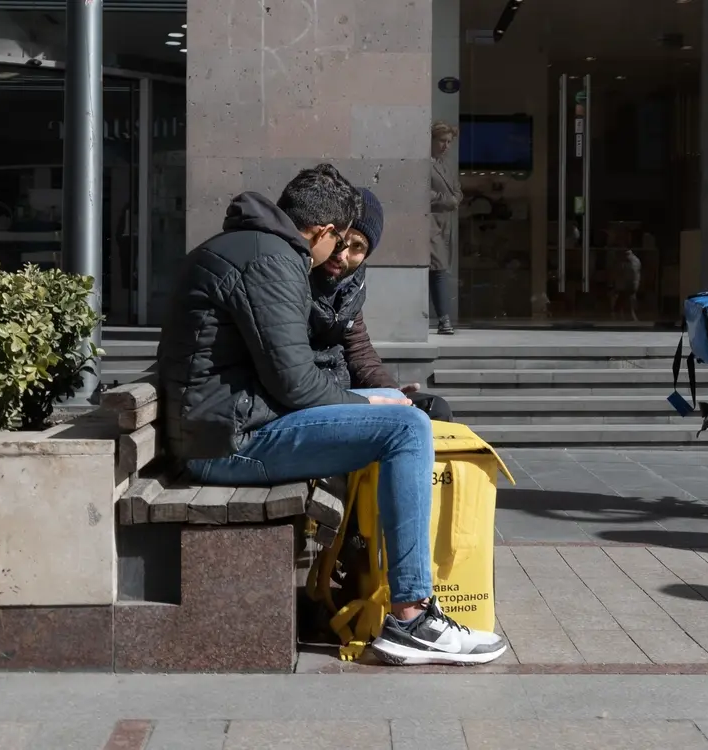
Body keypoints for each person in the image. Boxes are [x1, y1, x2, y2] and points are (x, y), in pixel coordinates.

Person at [156, 163, 506, 666]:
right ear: (322, 231)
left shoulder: (250, 246)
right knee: (407, 428)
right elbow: (296, 384)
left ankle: (386, 588)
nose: (338, 253)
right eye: (339, 240)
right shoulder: (273, 260)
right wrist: (371, 404)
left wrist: (376, 399)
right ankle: (412, 617)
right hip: (227, 444)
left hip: (222, 428)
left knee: (402, 414)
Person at [309, 186, 453, 423]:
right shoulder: (295, 277)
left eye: (357, 247)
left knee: (433, 409)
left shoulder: (352, 286)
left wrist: (391, 392)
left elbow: (359, 350)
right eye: (340, 240)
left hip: (344, 391)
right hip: (316, 399)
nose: (342, 255)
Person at [429, 120, 463, 336]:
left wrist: (454, 198)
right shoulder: (425, 164)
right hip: (430, 225)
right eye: (442, 141)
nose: (446, 146)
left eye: (449, 142)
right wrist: (446, 199)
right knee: (439, 269)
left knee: (440, 270)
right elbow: (422, 191)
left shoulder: (446, 165)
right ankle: (444, 319)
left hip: (445, 226)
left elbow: (457, 190)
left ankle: (443, 318)